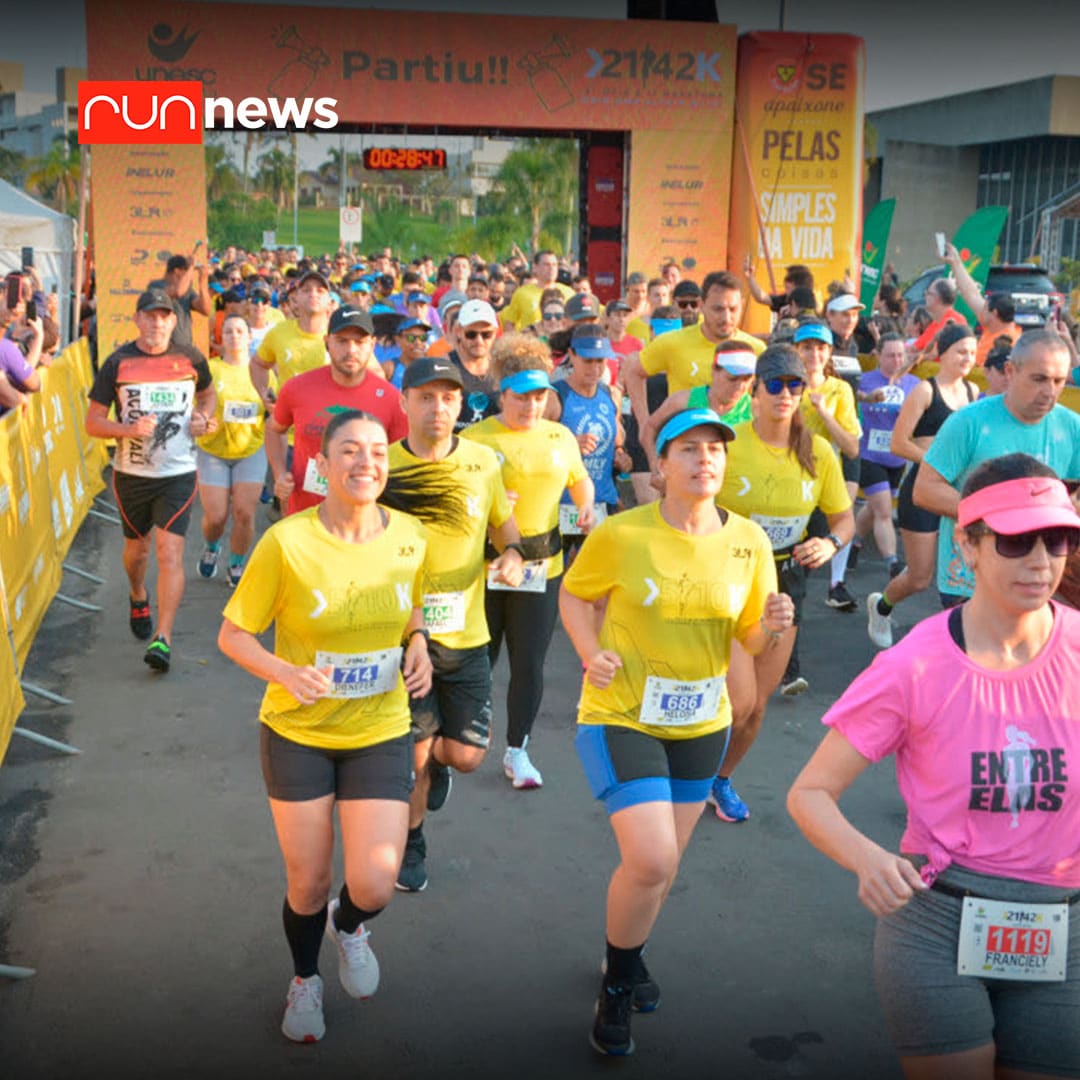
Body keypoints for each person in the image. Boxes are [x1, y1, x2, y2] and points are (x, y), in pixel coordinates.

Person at [788, 454, 1080, 1080]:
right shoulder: (913, 666)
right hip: (938, 920)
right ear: (969, 546)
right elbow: (809, 793)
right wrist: (868, 860)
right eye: (1015, 539)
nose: (1040, 559)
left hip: (1067, 928)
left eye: (1056, 538)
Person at [560, 406, 793, 1057]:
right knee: (653, 857)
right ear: (661, 465)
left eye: (715, 449)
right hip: (621, 715)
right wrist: (589, 651)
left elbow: (747, 634)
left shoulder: (747, 540)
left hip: (700, 721)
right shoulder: (623, 534)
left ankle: (624, 959)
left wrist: (771, 622)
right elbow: (575, 594)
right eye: (687, 449)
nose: (704, 460)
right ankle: (615, 987)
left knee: (659, 869)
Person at [217, 409, 455, 1045]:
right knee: (309, 880)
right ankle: (304, 980)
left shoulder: (409, 535)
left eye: (377, 451)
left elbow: (412, 603)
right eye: (349, 451)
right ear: (321, 466)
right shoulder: (288, 541)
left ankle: (348, 927)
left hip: (379, 723)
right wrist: (283, 673)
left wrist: (419, 642)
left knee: (376, 879)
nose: (365, 463)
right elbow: (233, 634)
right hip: (298, 729)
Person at [389, 358, 526, 892]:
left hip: (467, 635)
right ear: (405, 402)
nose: (438, 407)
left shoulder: (482, 463)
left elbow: (503, 527)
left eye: (448, 397)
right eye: (426, 396)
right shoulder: (387, 468)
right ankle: (412, 839)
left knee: (465, 756)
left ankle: (440, 765)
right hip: (404, 634)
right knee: (415, 752)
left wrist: (512, 555)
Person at [710, 346, 853, 820]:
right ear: (755, 390)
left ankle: (719, 779)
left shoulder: (818, 452)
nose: (785, 394)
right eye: (775, 384)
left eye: (795, 385)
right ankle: (685, 769)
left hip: (785, 582)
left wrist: (830, 543)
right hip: (727, 577)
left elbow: (845, 518)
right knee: (738, 699)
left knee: (755, 710)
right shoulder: (729, 444)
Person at [462, 334, 594, 788]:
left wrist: (588, 506)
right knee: (479, 657)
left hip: (542, 566)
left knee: (529, 662)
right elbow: (457, 501)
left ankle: (517, 750)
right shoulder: (475, 438)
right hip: (486, 565)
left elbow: (579, 482)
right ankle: (464, 736)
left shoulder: (560, 437)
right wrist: (487, 502)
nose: (532, 407)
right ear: (503, 394)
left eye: (540, 397)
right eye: (522, 398)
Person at [85, 288, 216, 672]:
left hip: (178, 473)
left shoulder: (190, 358)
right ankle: (137, 592)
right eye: (150, 315)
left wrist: (203, 420)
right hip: (132, 476)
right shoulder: (118, 363)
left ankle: (164, 637)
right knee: (137, 552)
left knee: (169, 552)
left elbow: (208, 397)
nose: (158, 323)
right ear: (138, 319)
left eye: (165, 316)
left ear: (174, 321)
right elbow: (93, 422)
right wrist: (125, 429)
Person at [915, 328, 1080, 608]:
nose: (1049, 392)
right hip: (970, 578)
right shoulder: (968, 422)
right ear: (1010, 371)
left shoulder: (1072, 427)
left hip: (1036, 577)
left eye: (1058, 381)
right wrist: (1000, 515)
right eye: (1039, 379)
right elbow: (925, 491)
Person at [866, 323, 980, 647]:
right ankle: (881, 606)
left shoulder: (973, 393)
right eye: (961, 351)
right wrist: (933, 463)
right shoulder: (925, 391)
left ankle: (958, 643)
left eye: (972, 352)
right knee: (920, 577)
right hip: (922, 489)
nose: (967, 358)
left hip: (955, 491)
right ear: (942, 354)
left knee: (961, 577)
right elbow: (899, 444)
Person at [267, 307, 407, 517]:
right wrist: (279, 474)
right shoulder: (297, 388)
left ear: (372, 345)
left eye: (359, 342)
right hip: (305, 517)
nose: (351, 350)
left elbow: (402, 461)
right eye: (342, 341)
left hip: (362, 523)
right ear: (327, 342)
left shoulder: (391, 400)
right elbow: (273, 428)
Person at [623, 271, 764, 435]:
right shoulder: (673, 342)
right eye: (718, 309)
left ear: (742, 304)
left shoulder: (757, 349)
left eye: (733, 309)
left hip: (738, 450)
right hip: (684, 447)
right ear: (702, 305)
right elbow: (633, 372)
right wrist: (644, 423)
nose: (726, 317)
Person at [792, 321, 862, 612]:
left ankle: (834, 584)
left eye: (820, 348)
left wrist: (823, 412)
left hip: (823, 480)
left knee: (819, 541)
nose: (814, 354)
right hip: (788, 478)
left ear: (829, 351)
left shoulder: (840, 390)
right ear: (796, 350)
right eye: (807, 347)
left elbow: (851, 447)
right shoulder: (786, 386)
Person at [194, 314, 267, 587]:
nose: (234, 336)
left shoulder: (263, 371)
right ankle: (212, 547)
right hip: (213, 451)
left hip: (251, 450)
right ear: (220, 339)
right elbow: (196, 404)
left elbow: (276, 408)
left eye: (239, 331)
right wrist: (202, 418)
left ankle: (236, 563)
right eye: (228, 332)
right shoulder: (210, 369)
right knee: (216, 516)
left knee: (245, 513)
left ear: (250, 337)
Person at [550, 324, 628, 552]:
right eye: (588, 360)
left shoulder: (610, 394)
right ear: (571, 355)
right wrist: (569, 444)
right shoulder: (554, 397)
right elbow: (533, 446)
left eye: (600, 361)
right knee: (565, 577)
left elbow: (616, 442)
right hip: (564, 504)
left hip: (604, 501)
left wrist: (622, 457)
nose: (595, 368)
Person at [850, 333, 921, 582]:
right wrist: (865, 397)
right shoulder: (865, 381)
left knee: (873, 506)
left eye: (900, 355)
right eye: (890, 355)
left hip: (896, 458)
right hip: (868, 455)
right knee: (882, 510)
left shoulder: (914, 384)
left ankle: (854, 544)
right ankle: (892, 562)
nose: (896, 360)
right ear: (878, 355)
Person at [641, 341, 756, 469]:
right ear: (714, 370)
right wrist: (656, 465)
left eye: (747, 379)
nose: (740, 386)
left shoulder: (756, 410)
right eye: (732, 379)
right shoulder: (683, 400)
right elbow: (650, 429)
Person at [250, 269, 332, 411]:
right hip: (288, 426)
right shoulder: (279, 332)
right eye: (306, 290)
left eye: (320, 291)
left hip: (330, 426)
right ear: (296, 299)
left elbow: (374, 373)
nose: (313, 294)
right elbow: (258, 364)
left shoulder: (342, 334)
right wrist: (264, 393)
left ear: (330, 302)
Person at [943, 242, 1021, 366]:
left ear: (994, 313)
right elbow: (971, 293)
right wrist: (955, 262)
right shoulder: (994, 325)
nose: (980, 310)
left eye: (984, 308)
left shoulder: (1010, 342)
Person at [448, 299, 501, 432]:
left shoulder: (503, 368)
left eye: (486, 334)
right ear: (458, 331)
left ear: (495, 333)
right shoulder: (445, 366)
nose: (479, 341)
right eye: (471, 334)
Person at [149, 250, 212, 350]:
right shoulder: (156, 286)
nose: (189, 278)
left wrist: (203, 282)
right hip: (162, 347)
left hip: (184, 346)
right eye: (186, 273)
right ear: (177, 271)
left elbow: (206, 310)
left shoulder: (187, 290)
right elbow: (178, 292)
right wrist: (191, 266)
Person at [499, 250, 573, 331]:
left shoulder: (569, 293)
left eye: (554, 265)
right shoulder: (522, 293)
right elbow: (509, 322)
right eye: (546, 265)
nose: (551, 268)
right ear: (535, 267)